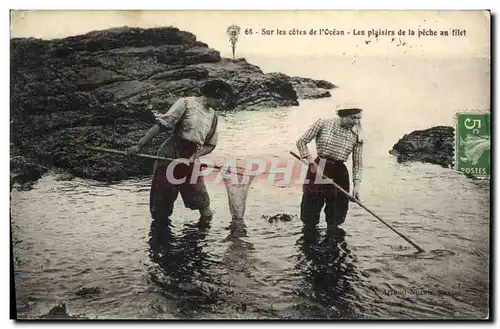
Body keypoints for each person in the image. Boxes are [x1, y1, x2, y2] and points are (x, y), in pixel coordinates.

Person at [126, 79, 234, 222]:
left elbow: (210, 145)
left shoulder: (213, 116)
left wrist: (196, 155)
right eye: (222, 99)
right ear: (214, 94)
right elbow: (162, 125)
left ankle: (200, 242)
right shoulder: (187, 103)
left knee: (205, 209)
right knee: (162, 206)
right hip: (171, 152)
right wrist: (139, 145)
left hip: (192, 158)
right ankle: (162, 240)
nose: (223, 104)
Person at [296, 101, 364, 229]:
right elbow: (301, 142)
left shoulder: (358, 133)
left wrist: (356, 186)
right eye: (353, 117)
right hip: (319, 167)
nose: (356, 121)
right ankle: (308, 244)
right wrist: (311, 162)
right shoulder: (323, 123)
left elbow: (358, 163)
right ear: (343, 115)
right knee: (310, 212)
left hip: (340, 172)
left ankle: (333, 244)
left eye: (359, 118)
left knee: (336, 217)